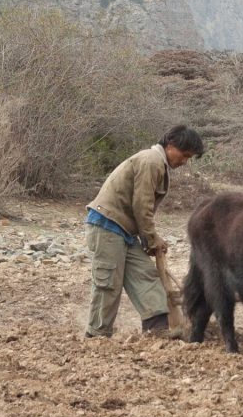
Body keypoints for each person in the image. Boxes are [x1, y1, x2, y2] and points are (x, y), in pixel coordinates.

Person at [84, 125, 204, 338]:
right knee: (109, 284)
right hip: (106, 225)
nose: (185, 161)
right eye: (184, 155)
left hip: (125, 231)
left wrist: (151, 238)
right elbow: (142, 206)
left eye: (189, 158)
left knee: (146, 276)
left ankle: (156, 330)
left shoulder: (157, 163)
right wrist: (151, 238)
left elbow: (141, 209)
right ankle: (97, 336)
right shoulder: (151, 161)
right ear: (170, 145)